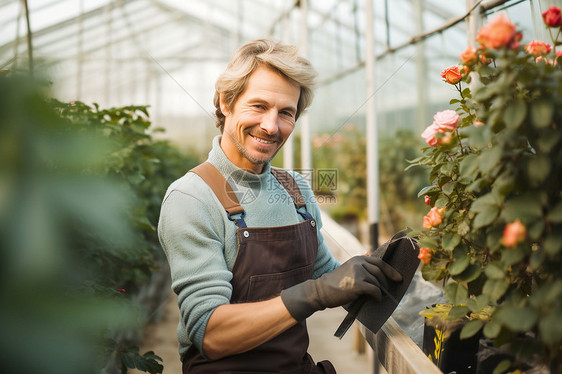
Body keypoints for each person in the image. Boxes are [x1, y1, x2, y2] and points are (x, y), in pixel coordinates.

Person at [158, 38, 402, 374]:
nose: (271, 126)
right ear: (226, 103)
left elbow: (324, 273)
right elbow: (210, 333)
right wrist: (315, 293)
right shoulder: (192, 198)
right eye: (258, 106)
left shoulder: (296, 189)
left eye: (285, 112)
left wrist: (368, 273)